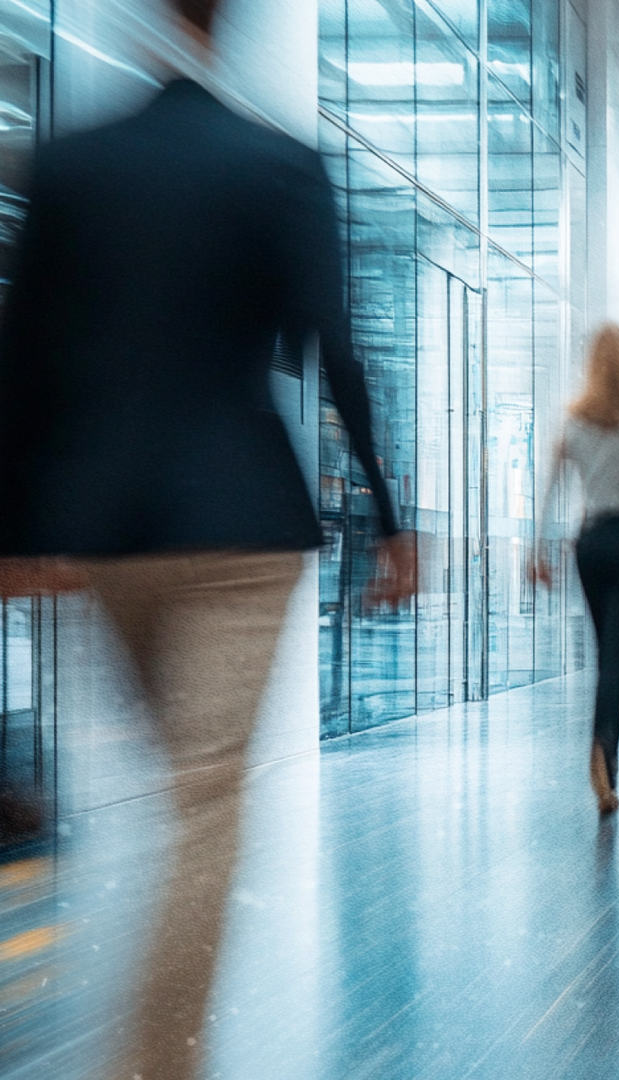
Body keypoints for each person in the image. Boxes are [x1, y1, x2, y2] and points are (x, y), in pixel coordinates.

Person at [0, 3, 417, 1076]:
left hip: (112, 532)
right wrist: (388, 517)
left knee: (184, 781)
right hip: (241, 520)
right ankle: (156, 1061)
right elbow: (335, 345)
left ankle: (153, 1051)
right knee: (207, 792)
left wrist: (16, 527)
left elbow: (24, 363)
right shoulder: (279, 166)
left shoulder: (73, 167)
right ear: (221, 23)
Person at [528, 325, 619, 816]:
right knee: (615, 657)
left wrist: (537, 551)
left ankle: (601, 752)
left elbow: (550, 488)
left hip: (588, 542)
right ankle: (605, 750)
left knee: (599, 647)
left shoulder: (572, 421)